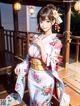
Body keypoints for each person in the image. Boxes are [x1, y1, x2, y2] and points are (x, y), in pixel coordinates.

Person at [6, 4, 70, 106]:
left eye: (47, 21)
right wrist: (21, 65)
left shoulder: (56, 42)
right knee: (34, 102)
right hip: (32, 77)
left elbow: (50, 63)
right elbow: (28, 58)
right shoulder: (36, 37)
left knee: (41, 103)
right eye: (41, 21)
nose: (43, 24)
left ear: (53, 22)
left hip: (45, 78)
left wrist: (41, 47)